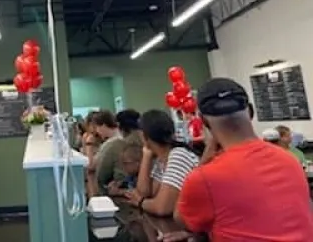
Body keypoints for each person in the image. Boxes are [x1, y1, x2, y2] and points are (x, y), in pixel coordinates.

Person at [176, 78, 313, 241]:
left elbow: (182, 221)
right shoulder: (290, 160)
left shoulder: (204, 178)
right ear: (251, 111)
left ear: (203, 121)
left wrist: (205, 159)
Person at [125, 110, 199, 216]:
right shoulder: (161, 159)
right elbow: (144, 193)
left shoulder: (178, 155)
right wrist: (146, 155)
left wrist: (140, 202)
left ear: (143, 136)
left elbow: (162, 207)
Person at [96, 109, 142, 195]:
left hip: (123, 195)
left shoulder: (115, 145)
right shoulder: (149, 143)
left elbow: (101, 176)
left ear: (118, 125)